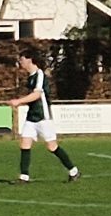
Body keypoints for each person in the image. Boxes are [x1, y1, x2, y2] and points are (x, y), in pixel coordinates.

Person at [9, 48, 79, 183]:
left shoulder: (39, 75)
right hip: (32, 116)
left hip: (42, 116)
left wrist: (19, 101)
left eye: (22, 59)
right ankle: (24, 177)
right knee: (24, 143)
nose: (20, 62)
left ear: (29, 59)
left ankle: (73, 170)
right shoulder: (30, 77)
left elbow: (37, 94)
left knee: (52, 146)